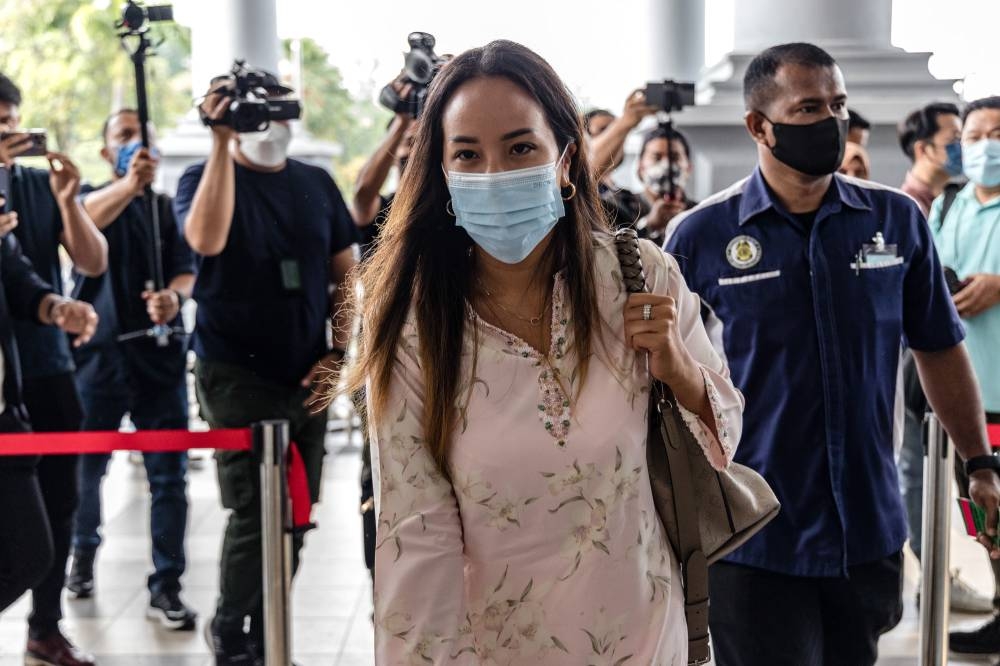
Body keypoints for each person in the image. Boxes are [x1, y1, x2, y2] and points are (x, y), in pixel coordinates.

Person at [346, 40, 743, 664]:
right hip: (497, 644)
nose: (495, 173)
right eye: (468, 155)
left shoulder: (641, 278)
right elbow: (414, 532)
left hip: (644, 632)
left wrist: (678, 366)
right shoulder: (413, 320)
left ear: (565, 158)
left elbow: (726, 434)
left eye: (520, 148)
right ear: (442, 174)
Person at [664, 42, 1000, 666]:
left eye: (838, 104)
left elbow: (940, 347)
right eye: (809, 106)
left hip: (865, 529)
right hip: (754, 534)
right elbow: (656, 378)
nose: (830, 120)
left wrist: (979, 460)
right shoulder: (702, 237)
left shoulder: (895, 222)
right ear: (758, 126)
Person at [175, 69, 357, 664]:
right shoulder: (203, 177)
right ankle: (232, 628)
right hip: (235, 374)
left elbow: (346, 276)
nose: (268, 117)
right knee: (256, 509)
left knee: (299, 514)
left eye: (275, 104)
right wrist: (222, 140)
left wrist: (338, 354)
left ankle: (266, 629)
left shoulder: (315, 183)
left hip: (307, 372)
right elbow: (204, 240)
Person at [65, 109, 197, 631]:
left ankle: (167, 584)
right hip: (96, 360)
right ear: (106, 151)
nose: (134, 143)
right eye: (122, 136)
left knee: (169, 480)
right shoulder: (88, 199)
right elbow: (84, 221)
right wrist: (127, 182)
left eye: (142, 136)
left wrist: (173, 297)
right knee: (85, 472)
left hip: (158, 362)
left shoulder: (165, 208)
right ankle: (80, 559)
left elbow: (188, 268)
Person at [0, 71, 107, 666]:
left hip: (41, 366)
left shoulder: (40, 188)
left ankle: (46, 626)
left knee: (60, 502)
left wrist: (70, 203)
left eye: (11, 122)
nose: (7, 134)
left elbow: (91, 260)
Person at [892, 101, 989, 614]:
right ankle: (953, 575)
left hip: (981, 382)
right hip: (947, 383)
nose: (976, 147)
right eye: (967, 136)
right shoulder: (937, 206)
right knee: (948, 487)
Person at [930, 95, 1000, 656]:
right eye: (974, 136)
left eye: (996, 134)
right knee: (985, 514)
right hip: (967, 399)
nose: (985, 146)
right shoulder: (949, 204)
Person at [351, 75, 418, 260]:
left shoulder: (448, 207)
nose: (415, 152)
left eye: (423, 143)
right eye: (409, 142)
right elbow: (362, 193)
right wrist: (402, 119)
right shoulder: (381, 210)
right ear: (393, 152)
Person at [898, 102, 963, 216]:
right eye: (954, 140)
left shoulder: (956, 198)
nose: (963, 147)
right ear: (922, 149)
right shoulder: (905, 208)